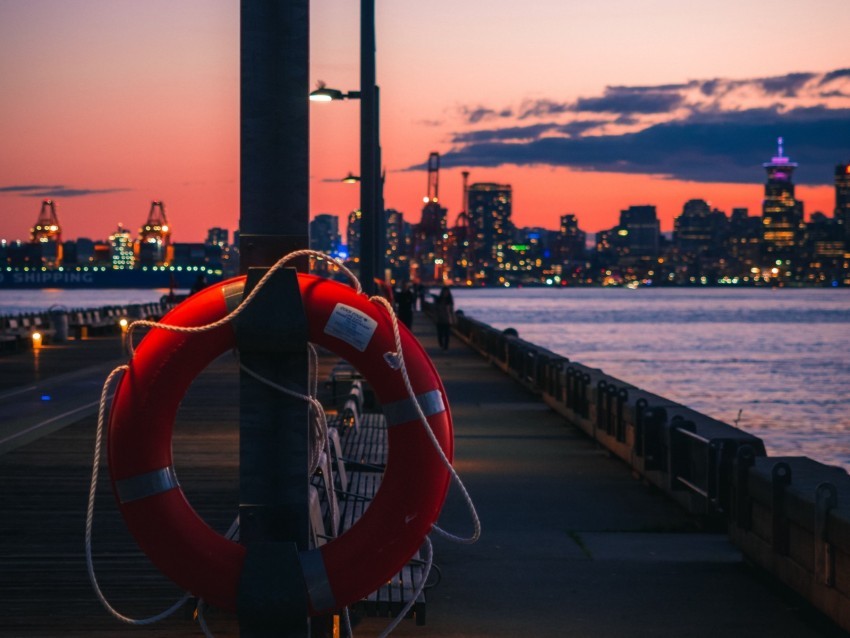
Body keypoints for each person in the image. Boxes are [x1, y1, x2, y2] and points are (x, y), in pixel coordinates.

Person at [434, 285, 454, 350]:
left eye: (446, 292)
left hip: (447, 320)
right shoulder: (438, 300)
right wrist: (436, 317)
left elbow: (451, 311)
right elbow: (435, 309)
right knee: (440, 334)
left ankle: (446, 347)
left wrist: (453, 319)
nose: (445, 293)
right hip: (440, 319)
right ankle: (441, 344)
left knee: (447, 334)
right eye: (444, 292)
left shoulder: (449, 301)